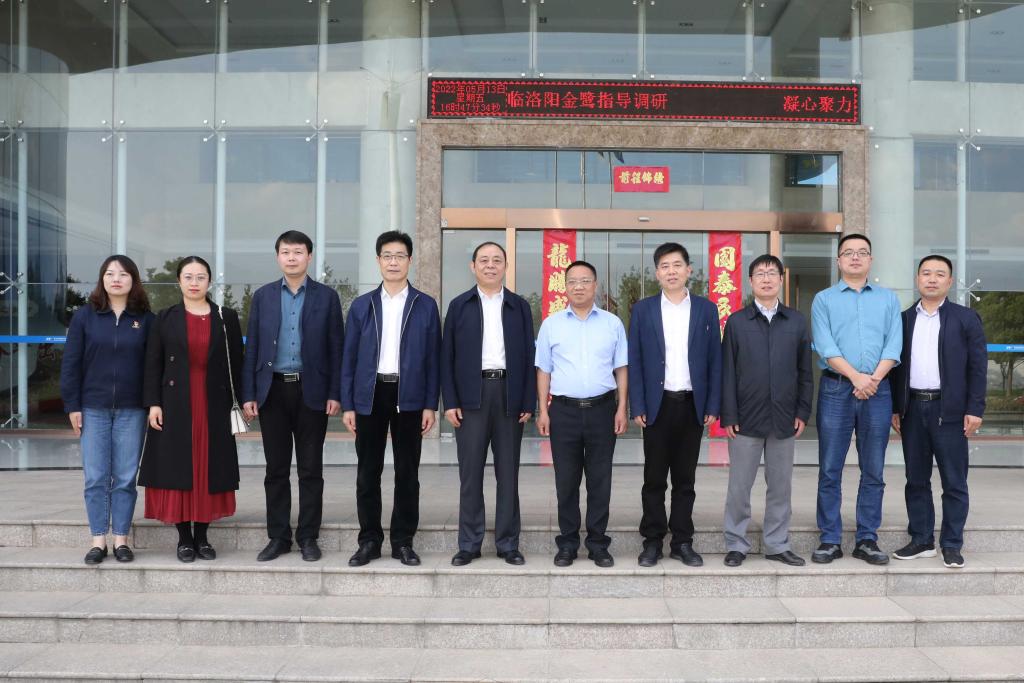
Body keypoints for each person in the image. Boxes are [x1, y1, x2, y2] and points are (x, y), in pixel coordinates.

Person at [241, 230, 343, 562]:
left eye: (298, 252)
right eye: (286, 252)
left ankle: (308, 537)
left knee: (311, 469)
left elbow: (336, 348)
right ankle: (279, 537)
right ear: (278, 257)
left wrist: (335, 392)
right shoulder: (264, 297)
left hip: (312, 391)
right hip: (272, 391)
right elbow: (252, 347)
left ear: (309, 257)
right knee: (276, 469)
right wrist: (249, 393)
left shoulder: (327, 297)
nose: (292, 257)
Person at [342, 231, 441, 567]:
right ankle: (369, 540)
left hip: (409, 396)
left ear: (410, 261)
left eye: (400, 256)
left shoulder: (425, 305)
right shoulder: (362, 305)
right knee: (367, 473)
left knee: (407, 473)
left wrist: (430, 404)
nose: (394, 262)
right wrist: (349, 404)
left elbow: (433, 359)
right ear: (378, 261)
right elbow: (349, 358)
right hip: (370, 394)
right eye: (387, 256)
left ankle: (402, 541)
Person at [138, 257, 243, 562]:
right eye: (188, 276)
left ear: (209, 281)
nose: (194, 282)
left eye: (200, 277)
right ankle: (184, 539)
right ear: (179, 281)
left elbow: (237, 363)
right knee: (178, 466)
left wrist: (243, 401)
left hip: (214, 402)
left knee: (210, 467)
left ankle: (203, 537)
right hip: (175, 402)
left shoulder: (226, 317)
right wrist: (153, 403)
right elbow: (153, 363)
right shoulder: (164, 318)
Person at [441, 242, 535, 566]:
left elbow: (529, 355)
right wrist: (450, 401)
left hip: (509, 394)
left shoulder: (519, 306)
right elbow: (446, 357)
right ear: (473, 266)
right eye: (484, 260)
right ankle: (469, 543)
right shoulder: (459, 306)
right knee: (470, 474)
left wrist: (528, 400)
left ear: (505, 266)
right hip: (471, 396)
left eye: (497, 260)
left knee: (508, 474)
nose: (490, 265)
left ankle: (508, 543)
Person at [811, 233, 902, 565]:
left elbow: (894, 345)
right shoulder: (823, 299)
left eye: (862, 252)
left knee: (873, 469)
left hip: (878, 391)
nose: (855, 257)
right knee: (830, 468)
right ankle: (829, 539)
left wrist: (872, 379)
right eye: (848, 252)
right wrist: (856, 377)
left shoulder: (888, 300)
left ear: (870, 260)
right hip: (836, 389)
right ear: (838, 261)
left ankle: (867, 538)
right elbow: (825, 346)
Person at [628, 242, 721, 568]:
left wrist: (712, 404)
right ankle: (652, 541)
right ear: (657, 273)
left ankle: (682, 541)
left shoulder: (706, 309)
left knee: (685, 480)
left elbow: (714, 359)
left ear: (688, 270)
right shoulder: (643, 310)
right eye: (665, 266)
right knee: (654, 478)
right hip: (657, 405)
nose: (671, 271)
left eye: (677, 265)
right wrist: (637, 403)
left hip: (692, 404)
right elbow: (635, 359)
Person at [891, 255, 986, 569]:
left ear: (950, 281)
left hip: (951, 411)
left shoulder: (965, 318)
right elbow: (896, 367)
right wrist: (896, 407)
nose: (932, 279)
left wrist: (975, 408)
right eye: (926, 273)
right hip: (912, 409)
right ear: (917, 279)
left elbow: (978, 368)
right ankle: (921, 540)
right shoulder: (904, 319)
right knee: (915, 479)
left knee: (954, 481)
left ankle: (952, 544)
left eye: (939, 274)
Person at [719, 254, 813, 567]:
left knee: (780, 487)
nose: (767, 278)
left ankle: (777, 544)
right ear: (751, 281)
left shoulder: (796, 321)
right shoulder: (737, 322)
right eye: (760, 273)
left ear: (781, 279)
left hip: (784, 418)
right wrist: (729, 414)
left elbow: (805, 372)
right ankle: (736, 543)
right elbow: (727, 371)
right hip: (745, 419)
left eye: (772, 273)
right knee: (739, 486)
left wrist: (802, 411)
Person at [60, 255, 154, 565]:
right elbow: (71, 364)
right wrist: (73, 405)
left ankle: (121, 540)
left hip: (132, 409)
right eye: (110, 273)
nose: (116, 279)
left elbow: (153, 367)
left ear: (133, 280)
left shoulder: (146, 319)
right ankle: (98, 540)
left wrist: (152, 402)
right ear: (102, 279)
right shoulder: (85, 317)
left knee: (125, 476)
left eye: (123, 274)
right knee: (96, 477)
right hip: (93, 407)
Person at [536, 260, 628, 568]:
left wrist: (622, 407)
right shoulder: (551, 324)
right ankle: (568, 543)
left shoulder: (612, 324)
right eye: (573, 281)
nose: (579, 286)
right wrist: (543, 410)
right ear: (565, 286)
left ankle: (598, 544)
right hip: (563, 411)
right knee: (566, 481)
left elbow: (621, 368)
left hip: (603, 410)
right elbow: (543, 370)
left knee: (600, 480)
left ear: (595, 285)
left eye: (585, 281)